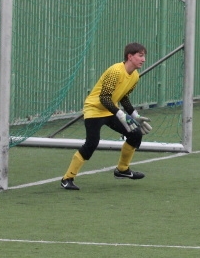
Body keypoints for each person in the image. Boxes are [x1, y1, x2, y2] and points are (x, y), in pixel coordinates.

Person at [60, 42, 153, 190]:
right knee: (92, 143)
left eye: (144, 56)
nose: (144, 59)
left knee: (135, 134)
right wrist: (122, 115)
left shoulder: (135, 76)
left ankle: (122, 170)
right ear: (130, 56)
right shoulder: (115, 71)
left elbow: (124, 98)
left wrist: (135, 115)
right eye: (140, 56)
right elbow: (104, 98)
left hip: (111, 109)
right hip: (94, 109)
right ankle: (67, 178)